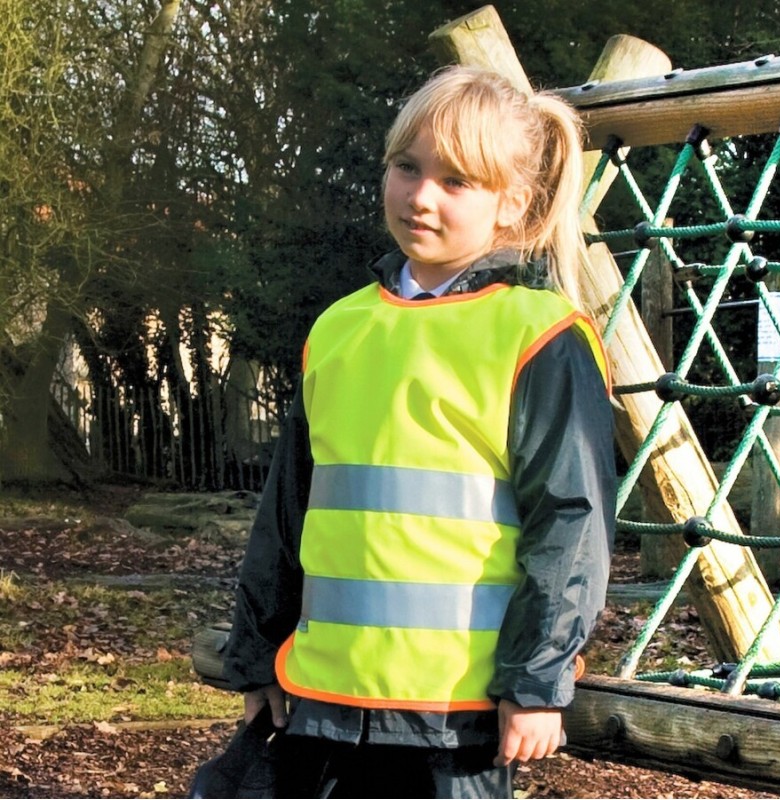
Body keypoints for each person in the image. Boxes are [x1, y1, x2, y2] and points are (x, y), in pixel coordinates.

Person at [222, 65, 616, 799]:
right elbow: (288, 510)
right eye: (407, 167)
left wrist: (536, 680)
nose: (420, 196)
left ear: (512, 204)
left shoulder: (541, 335)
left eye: (456, 180)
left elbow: (571, 522)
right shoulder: (338, 328)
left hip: (454, 719)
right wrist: (257, 653)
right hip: (324, 698)